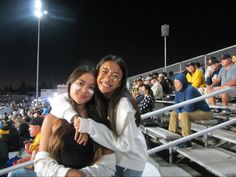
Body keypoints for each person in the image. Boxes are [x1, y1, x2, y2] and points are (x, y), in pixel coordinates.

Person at [50, 55, 148, 177]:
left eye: (115, 76)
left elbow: (125, 145)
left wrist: (88, 126)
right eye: (105, 71)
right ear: (97, 73)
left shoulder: (122, 104)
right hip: (111, 157)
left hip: (130, 161)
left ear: (119, 84)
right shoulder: (94, 94)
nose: (108, 78)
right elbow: (58, 100)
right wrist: (75, 117)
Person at [34, 64, 116, 177]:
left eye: (91, 87)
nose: (84, 90)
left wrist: (85, 174)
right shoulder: (51, 119)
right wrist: (67, 173)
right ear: (70, 85)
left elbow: (109, 163)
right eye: (80, 83)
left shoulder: (101, 118)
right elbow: (41, 162)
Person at [168, 73, 212, 147]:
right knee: (173, 113)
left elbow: (189, 107)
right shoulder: (178, 91)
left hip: (205, 112)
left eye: (177, 82)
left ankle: (187, 140)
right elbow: (176, 105)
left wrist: (180, 113)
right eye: (174, 83)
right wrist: (178, 112)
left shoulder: (190, 89)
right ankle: (172, 136)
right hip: (193, 111)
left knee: (184, 115)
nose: (175, 85)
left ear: (183, 81)